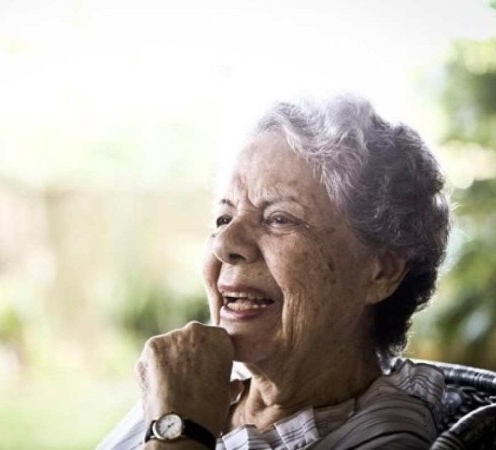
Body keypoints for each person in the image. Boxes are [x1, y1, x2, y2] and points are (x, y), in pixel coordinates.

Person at [99, 94, 451, 449]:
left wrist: (180, 431)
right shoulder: (201, 385)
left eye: (279, 219)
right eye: (224, 217)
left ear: (381, 272)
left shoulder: (382, 442)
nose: (225, 243)